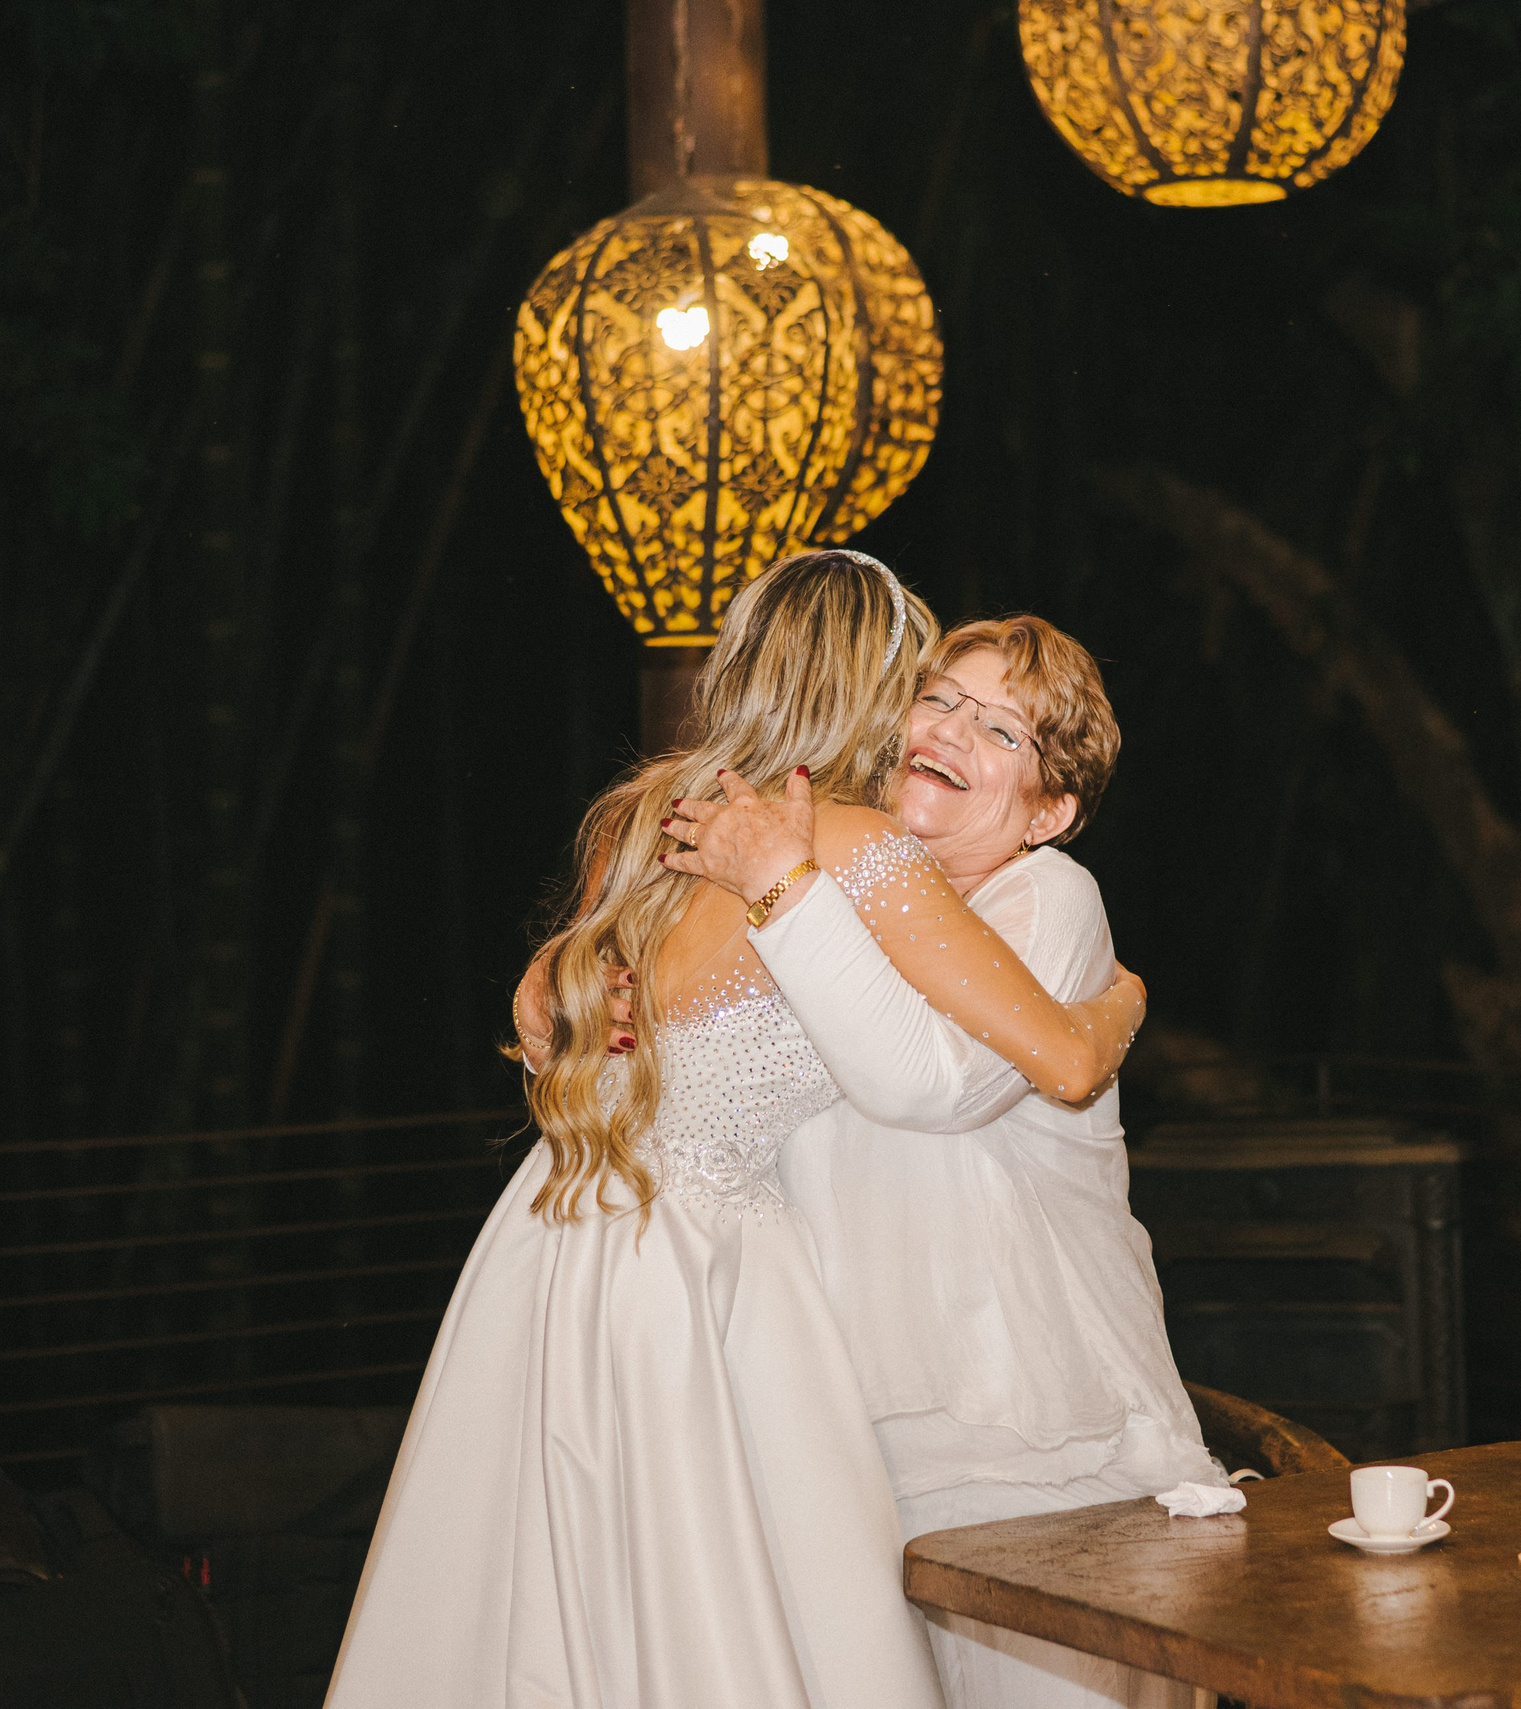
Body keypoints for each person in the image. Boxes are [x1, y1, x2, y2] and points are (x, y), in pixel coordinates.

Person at [324, 552, 1147, 1709]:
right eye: (931, 692)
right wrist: (1126, 994)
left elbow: (570, 1013)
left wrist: (541, 992)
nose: (939, 724)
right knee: (717, 1604)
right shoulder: (855, 850)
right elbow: (1058, 1058)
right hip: (703, 1264)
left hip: (554, 1232)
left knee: (550, 1591)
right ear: (875, 691)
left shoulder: (641, 819)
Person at [663, 616, 1218, 1709]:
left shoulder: (1048, 897)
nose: (953, 729)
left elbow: (932, 1085)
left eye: (1002, 729)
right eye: (940, 699)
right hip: (856, 1426)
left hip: (1031, 1427)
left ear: (1047, 810)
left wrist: (785, 883)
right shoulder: (847, 891)